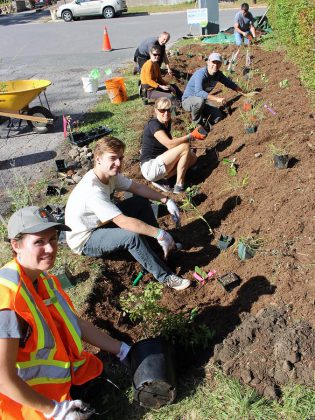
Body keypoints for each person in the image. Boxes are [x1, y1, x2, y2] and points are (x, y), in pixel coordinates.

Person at [0, 206, 131, 419]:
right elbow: (3, 378)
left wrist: (122, 350)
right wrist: (55, 410)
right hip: (28, 408)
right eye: (39, 242)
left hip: (60, 389)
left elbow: (75, 324)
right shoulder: (6, 298)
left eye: (52, 239)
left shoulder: (44, 281)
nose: (50, 249)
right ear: (16, 245)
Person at [65, 136, 191, 291]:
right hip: (86, 238)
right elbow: (124, 222)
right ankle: (165, 277)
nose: (118, 163)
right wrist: (160, 233)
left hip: (99, 223)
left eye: (120, 158)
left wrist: (165, 200)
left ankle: (157, 250)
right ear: (98, 159)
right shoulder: (93, 191)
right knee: (131, 237)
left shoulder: (109, 175)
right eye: (113, 158)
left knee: (140, 202)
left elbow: (137, 188)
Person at [140, 97, 207, 194]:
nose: (166, 113)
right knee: (185, 147)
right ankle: (179, 186)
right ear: (156, 110)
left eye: (168, 110)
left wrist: (188, 149)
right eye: (162, 110)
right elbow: (169, 144)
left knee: (192, 158)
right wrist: (191, 136)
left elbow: (171, 142)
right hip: (150, 166)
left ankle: (164, 179)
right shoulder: (154, 124)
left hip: (160, 162)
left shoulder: (166, 123)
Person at [182, 52, 243, 128]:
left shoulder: (218, 74)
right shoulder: (201, 74)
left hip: (203, 102)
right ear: (208, 62)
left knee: (218, 117)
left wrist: (242, 92)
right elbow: (198, 92)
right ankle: (196, 121)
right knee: (199, 100)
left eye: (218, 63)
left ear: (220, 64)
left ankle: (204, 118)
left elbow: (228, 83)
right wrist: (217, 99)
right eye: (213, 62)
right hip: (188, 101)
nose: (215, 65)